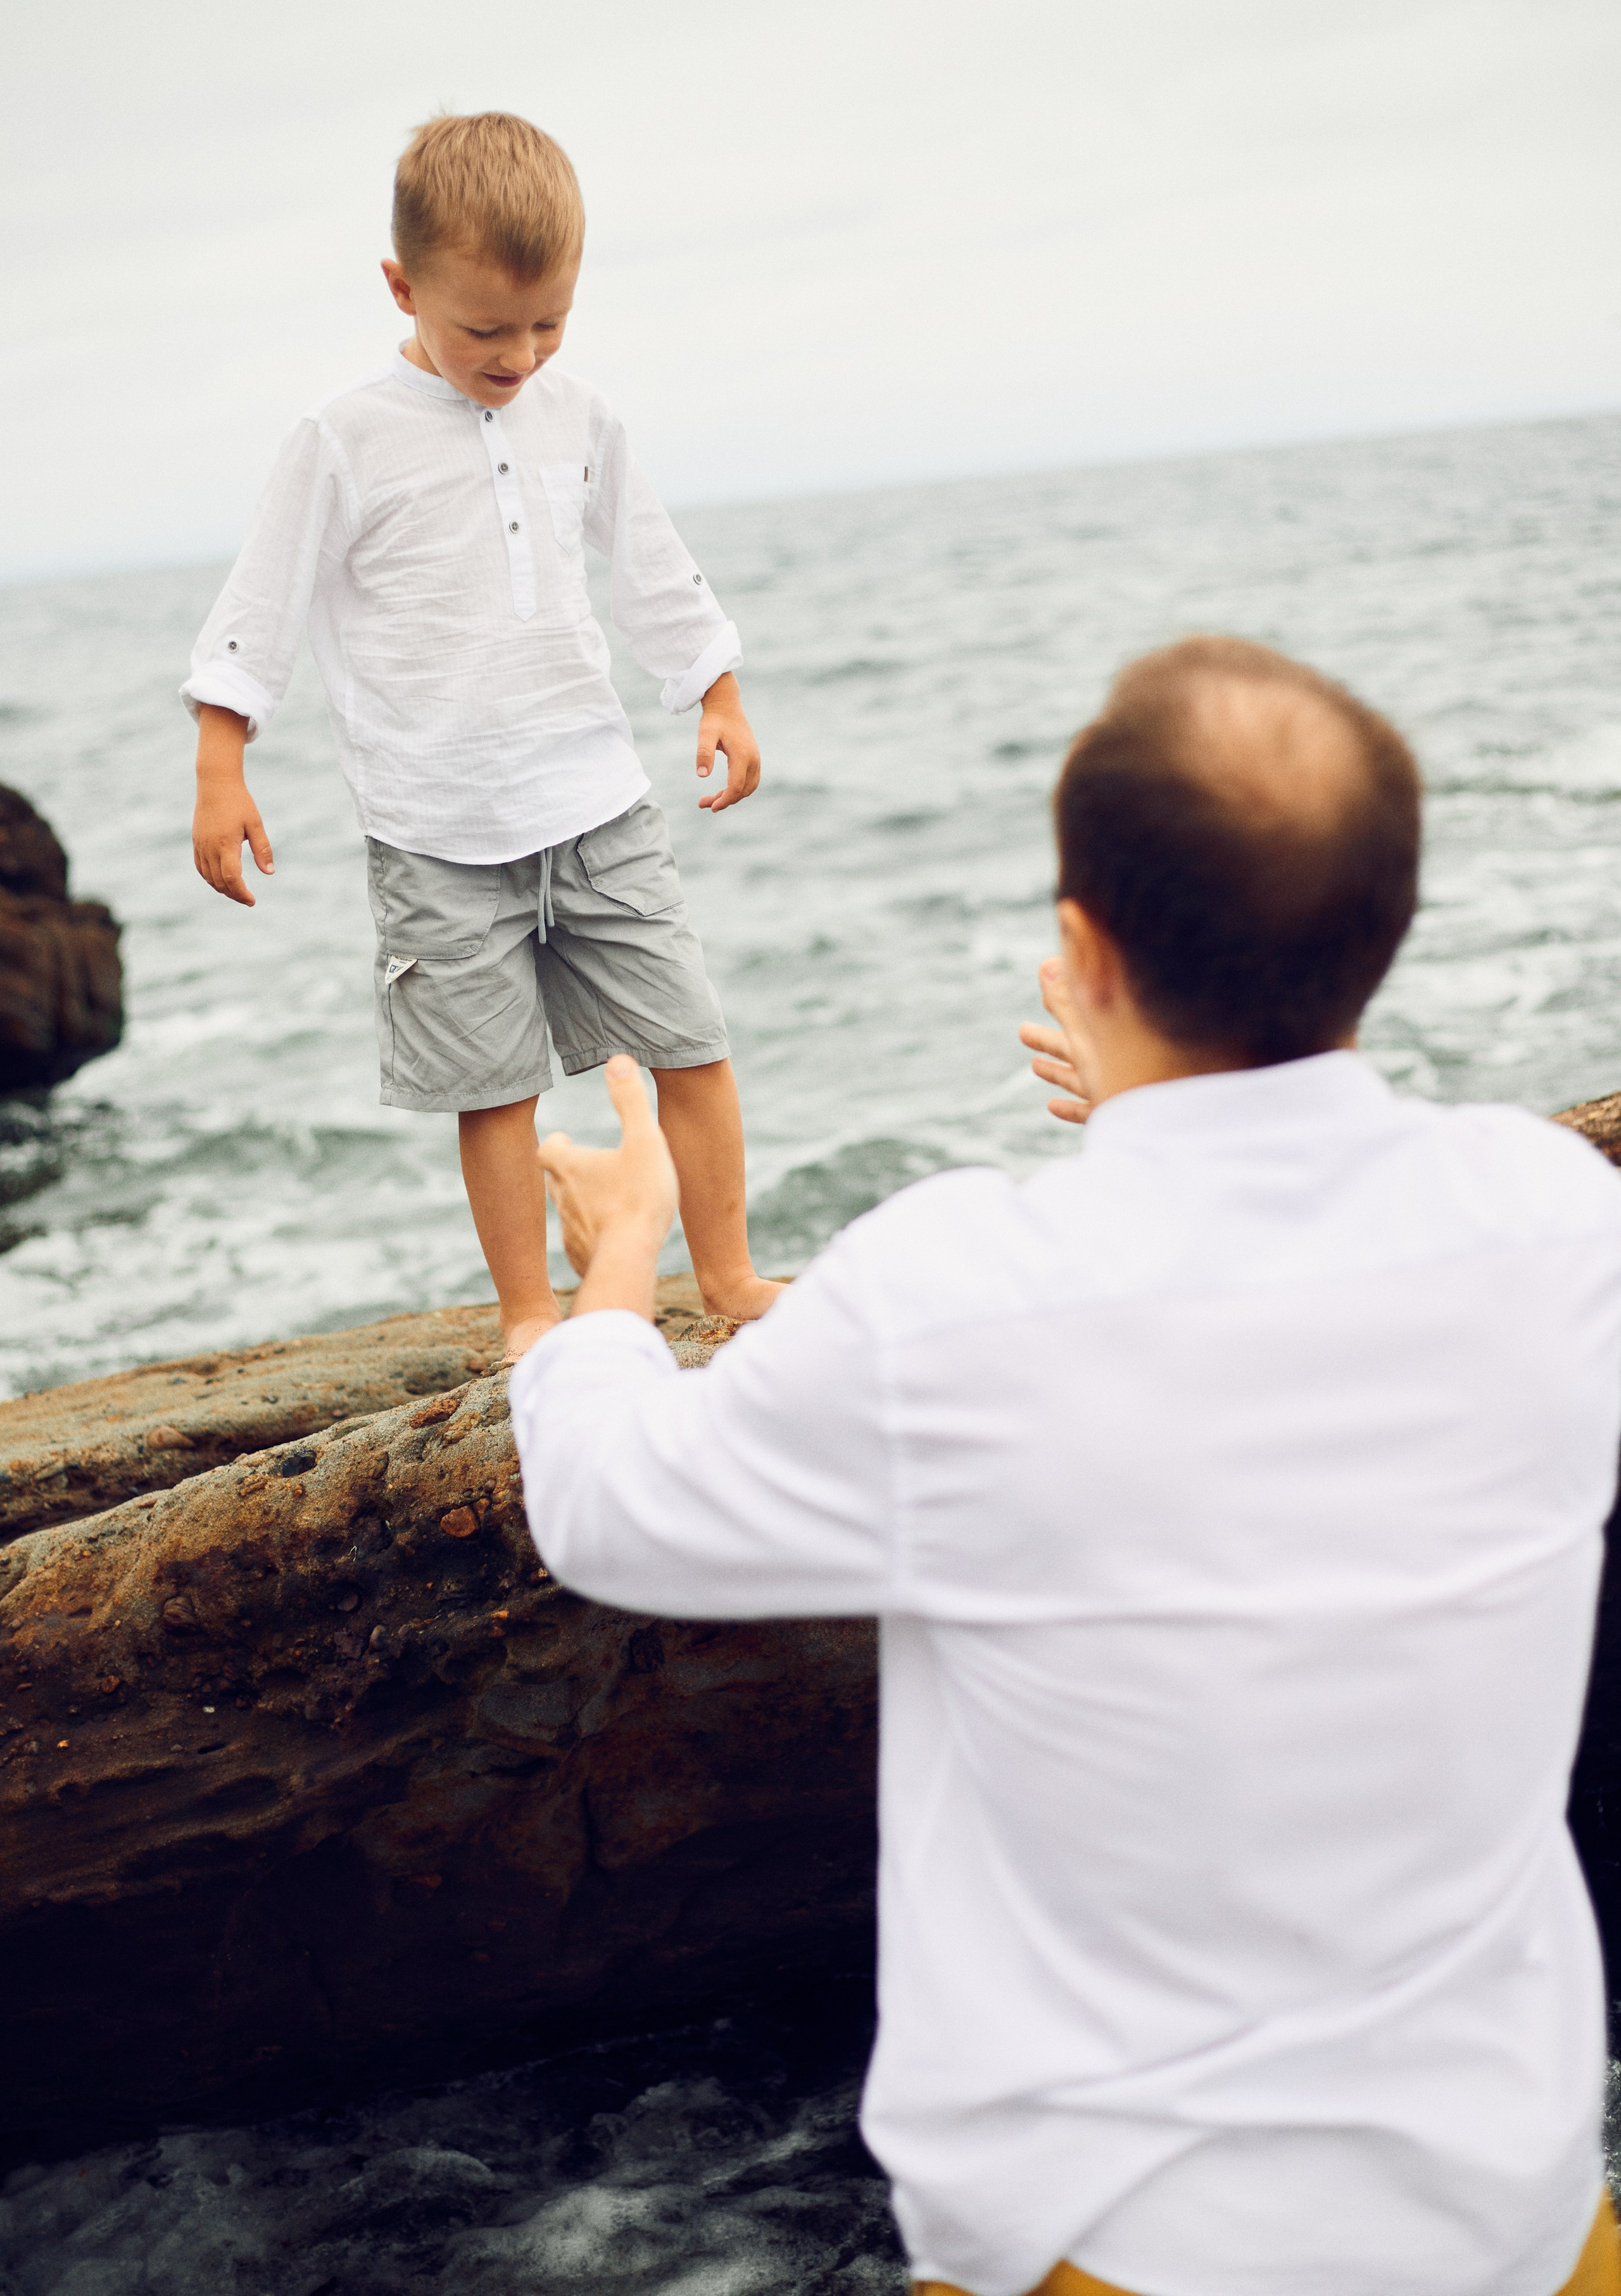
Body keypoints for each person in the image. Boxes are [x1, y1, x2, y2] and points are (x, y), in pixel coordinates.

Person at [512, 634, 1621, 2296]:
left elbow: (611, 1510)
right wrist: (1157, 1107)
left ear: (1084, 949)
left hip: (1124, 2248)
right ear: (1382, 935)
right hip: (1516, 2231)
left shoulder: (955, 1298)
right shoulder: (1555, 1222)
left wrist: (616, 1257)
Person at [184, 111, 780, 1356]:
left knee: (691, 1044)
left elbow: (651, 563)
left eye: (548, 324)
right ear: (403, 288)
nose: (520, 357)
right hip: (434, 830)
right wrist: (221, 763)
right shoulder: (343, 440)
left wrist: (714, 691)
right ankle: (528, 1316)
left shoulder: (580, 416)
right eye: (486, 331)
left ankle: (728, 1277)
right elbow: (263, 601)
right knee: (493, 1086)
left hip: (596, 803)